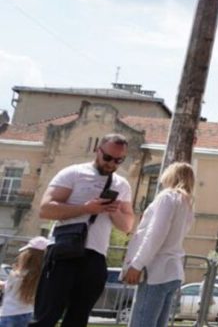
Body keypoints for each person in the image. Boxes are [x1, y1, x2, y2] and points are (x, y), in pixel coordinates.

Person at [30, 133, 134, 327]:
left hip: (95, 256)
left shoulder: (121, 184)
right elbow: (45, 209)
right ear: (98, 151)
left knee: (78, 318)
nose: (112, 164)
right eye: (108, 158)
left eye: (119, 160)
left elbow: (127, 226)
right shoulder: (74, 173)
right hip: (64, 252)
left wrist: (114, 211)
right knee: (46, 316)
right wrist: (86, 208)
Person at [123, 162, 196, 327]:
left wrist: (137, 264)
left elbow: (155, 234)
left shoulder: (167, 197)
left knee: (142, 323)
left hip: (156, 270)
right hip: (172, 271)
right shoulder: (187, 204)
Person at [0, 237, 48, 327]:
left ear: (27, 256)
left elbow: (7, 290)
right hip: (28, 314)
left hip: (9, 314)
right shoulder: (43, 277)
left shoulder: (16, 274)